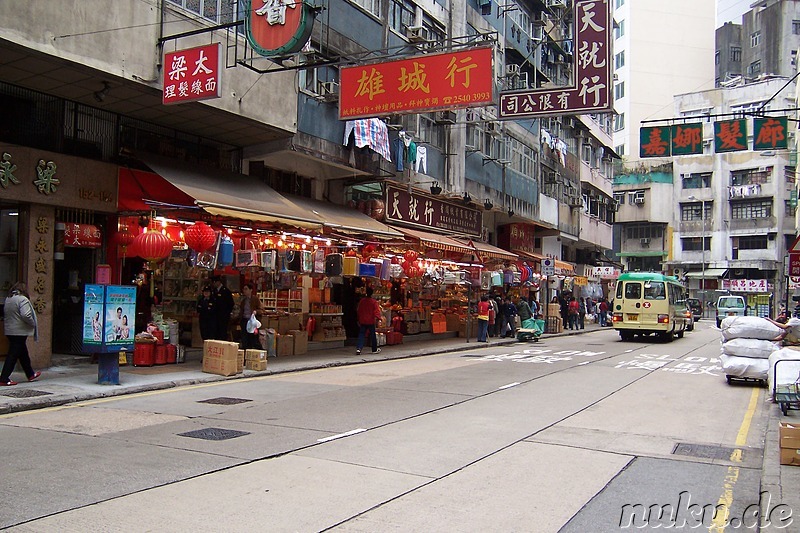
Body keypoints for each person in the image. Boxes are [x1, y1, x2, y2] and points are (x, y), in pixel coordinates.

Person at [1, 283, 41, 386]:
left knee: (23, 353)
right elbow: (26, 314)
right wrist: (32, 323)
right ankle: (4, 378)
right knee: (13, 355)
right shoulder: (22, 299)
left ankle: (30, 374)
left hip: (10, 330)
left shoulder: (9, 299)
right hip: (19, 331)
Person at [356, 287, 382, 355]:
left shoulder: (362, 301)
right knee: (373, 335)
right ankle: (374, 349)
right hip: (370, 321)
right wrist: (379, 318)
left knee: (361, 334)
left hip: (363, 320)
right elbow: (376, 311)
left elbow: (359, 310)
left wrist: (358, 319)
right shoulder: (373, 302)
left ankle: (359, 348)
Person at [238, 282, 263, 349]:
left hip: (253, 322)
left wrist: (256, 312)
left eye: (246, 289)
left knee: (254, 338)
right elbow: (241, 311)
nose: (244, 291)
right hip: (245, 321)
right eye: (244, 289)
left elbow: (261, 310)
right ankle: (246, 353)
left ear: (250, 290)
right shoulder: (243, 301)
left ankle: (259, 352)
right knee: (245, 339)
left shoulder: (255, 299)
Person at [212, 276, 234, 341]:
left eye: (215, 282)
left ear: (218, 282)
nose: (214, 284)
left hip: (223, 315)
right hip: (215, 315)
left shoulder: (226, 291)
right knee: (216, 331)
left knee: (223, 331)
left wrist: (227, 312)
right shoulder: (214, 291)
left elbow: (231, 303)